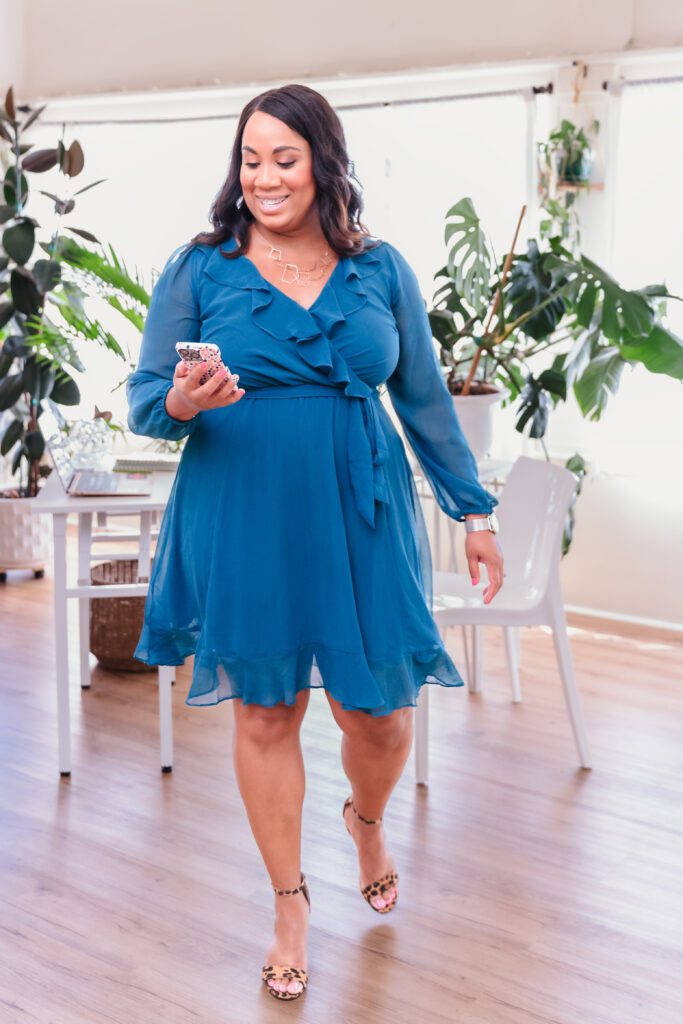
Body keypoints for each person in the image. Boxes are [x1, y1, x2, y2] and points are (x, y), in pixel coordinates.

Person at [126, 82, 504, 1002]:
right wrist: (186, 399)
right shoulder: (200, 269)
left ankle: (365, 820)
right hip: (242, 504)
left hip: (359, 505)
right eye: (249, 160)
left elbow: (421, 398)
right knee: (266, 711)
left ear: (323, 163)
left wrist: (475, 511)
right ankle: (289, 905)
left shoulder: (379, 271)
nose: (263, 178)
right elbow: (147, 403)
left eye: (282, 159)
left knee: (381, 716)